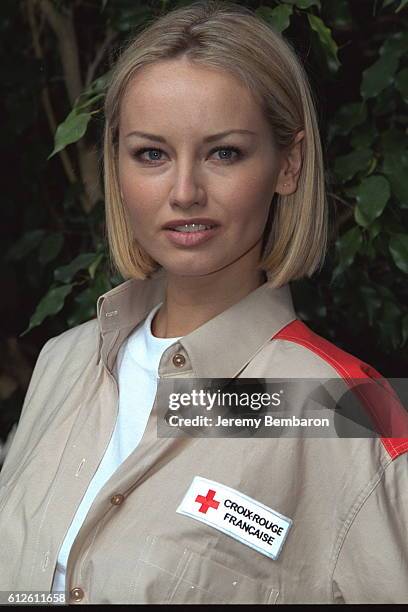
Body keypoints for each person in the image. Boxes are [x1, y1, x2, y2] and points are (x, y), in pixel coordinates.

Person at [0, 0, 407, 605]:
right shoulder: (65, 361)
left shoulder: (345, 409)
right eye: (152, 154)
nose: (185, 192)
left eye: (224, 153)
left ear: (287, 164)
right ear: (116, 166)